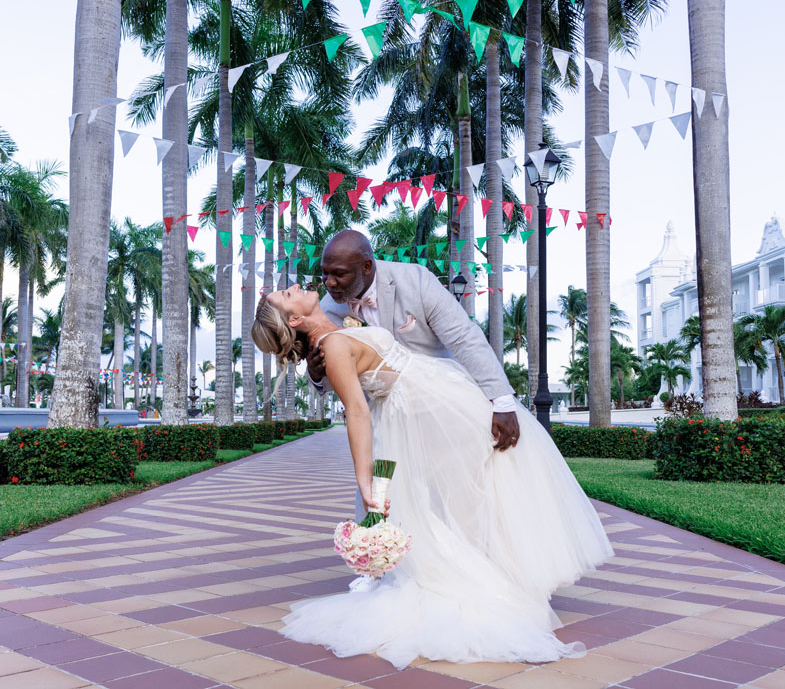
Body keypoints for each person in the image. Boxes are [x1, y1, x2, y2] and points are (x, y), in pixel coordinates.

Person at [252, 284, 613, 669]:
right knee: (476, 492)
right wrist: (366, 483)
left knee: (487, 487)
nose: (294, 287)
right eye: (287, 295)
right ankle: (494, 585)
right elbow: (355, 412)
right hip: (435, 412)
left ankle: (508, 578)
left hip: (445, 397)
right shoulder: (335, 346)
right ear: (294, 318)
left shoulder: (339, 329)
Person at [308, 230, 520, 452]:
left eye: (338, 274)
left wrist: (501, 401)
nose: (329, 283)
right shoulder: (329, 308)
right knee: (382, 486)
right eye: (324, 273)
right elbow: (340, 377)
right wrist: (317, 374)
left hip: (440, 407)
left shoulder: (417, 281)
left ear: (367, 267)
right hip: (383, 424)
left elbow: (463, 337)